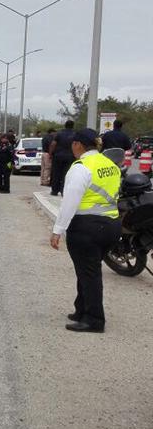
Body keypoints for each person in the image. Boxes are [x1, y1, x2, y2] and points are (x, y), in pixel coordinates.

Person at [49, 128, 121, 333]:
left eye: (73, 144)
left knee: (89, 273)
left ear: (78, 145)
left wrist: (57, 230)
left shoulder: (81, 167)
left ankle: (94, 320)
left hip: (87, 228)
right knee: (87, 269)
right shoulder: (110, 164)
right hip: (111, 225)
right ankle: (81, 309)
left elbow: (69, 202)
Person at [50, 120, 76, 196]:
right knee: (67, 174)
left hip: (58, 156)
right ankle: (63, 191)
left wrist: (50, 153)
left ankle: (54, 191)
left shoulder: (59, 134)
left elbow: (53, 144)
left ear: (65, 125)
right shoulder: (75, 135)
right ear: (73, 126)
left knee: (56, 173)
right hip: (70, 157)